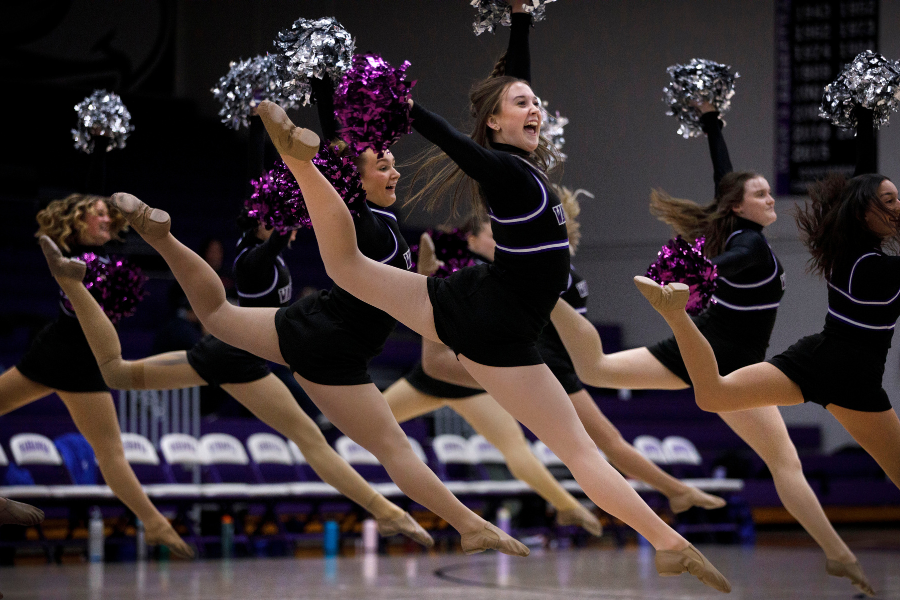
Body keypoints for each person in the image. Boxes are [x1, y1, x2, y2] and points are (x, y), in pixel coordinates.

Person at [235, 4, 730, 591]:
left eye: (534, 102)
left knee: (349, 268)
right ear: (494, 124)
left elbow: (508, 89)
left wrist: (521, 20)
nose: (535, 107)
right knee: (346, 267)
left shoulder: (522, 165)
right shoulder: (507, 172)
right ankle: (297, 155)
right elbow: (454, 138)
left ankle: (669, 543)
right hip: (487, 316)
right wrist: (404, 104)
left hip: (488, 314)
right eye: (522, 105)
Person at [83, 84, 531, 555]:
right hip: (337, 355)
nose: (395, 169)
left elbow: (342, 168)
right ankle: (468, 524)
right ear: (356, 183)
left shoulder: (388, 225)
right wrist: (318, 118)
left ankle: (163, 237)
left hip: (305, 325)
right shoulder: (371, 227)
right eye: (384, 166)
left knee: (215, 314)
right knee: (392, 449)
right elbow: (340, 175)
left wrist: (322, 94)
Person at [39, 211, 432, 547]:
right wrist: (286, 216)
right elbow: (271, 242)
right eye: (281, 221)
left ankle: (387, 511)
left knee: (119, 374)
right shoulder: (253, 260)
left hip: (237, 360)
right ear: (263, 223)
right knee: (117, 373)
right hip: (234, 357)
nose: (293, 229)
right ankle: (386, 511)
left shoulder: (268, 259)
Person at [632, 107, 893, 596]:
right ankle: (838, 554)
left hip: (818, 368)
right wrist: (703, 274)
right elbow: (730, 239)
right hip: (779, 359)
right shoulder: (754, 243)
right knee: (782, 461)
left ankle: (839, 555)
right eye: (760, 193)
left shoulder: (781, 235)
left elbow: (726, 183)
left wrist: (713, 125)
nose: (771, 197)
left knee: (602, 370)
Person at [1, 194, 192, 558]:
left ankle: (154, 523)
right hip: (56, 350)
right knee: (111, 452)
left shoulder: (109, 263)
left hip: (84, 361)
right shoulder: (69, 252)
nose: (107, 220)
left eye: (108, 214)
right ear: (77, 221)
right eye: (98, 214)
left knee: (111, 452)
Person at [383, 219, 601, 537]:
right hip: (432, 375)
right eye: (490, 235)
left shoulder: (495, 275)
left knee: (516, 450)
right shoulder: (457, 267)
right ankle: (379, 506)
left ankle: (570, 506)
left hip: (468, 374)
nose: (498, 240)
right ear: (470, 239)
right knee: (366, 426)